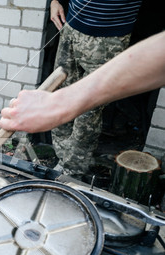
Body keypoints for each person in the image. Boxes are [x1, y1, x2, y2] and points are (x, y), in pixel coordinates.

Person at [0, 31, 165, 134]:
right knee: (60, 126)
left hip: (109, 32)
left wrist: (59, 102)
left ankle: (73, 171)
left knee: (88, 116)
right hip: (72, 27)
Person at [47, 0, 143, 179]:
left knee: (87, 111)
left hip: (109, 38)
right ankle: (62, 161)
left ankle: (72, 172)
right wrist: (55, 0)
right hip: (71, 25)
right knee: (60, 96)